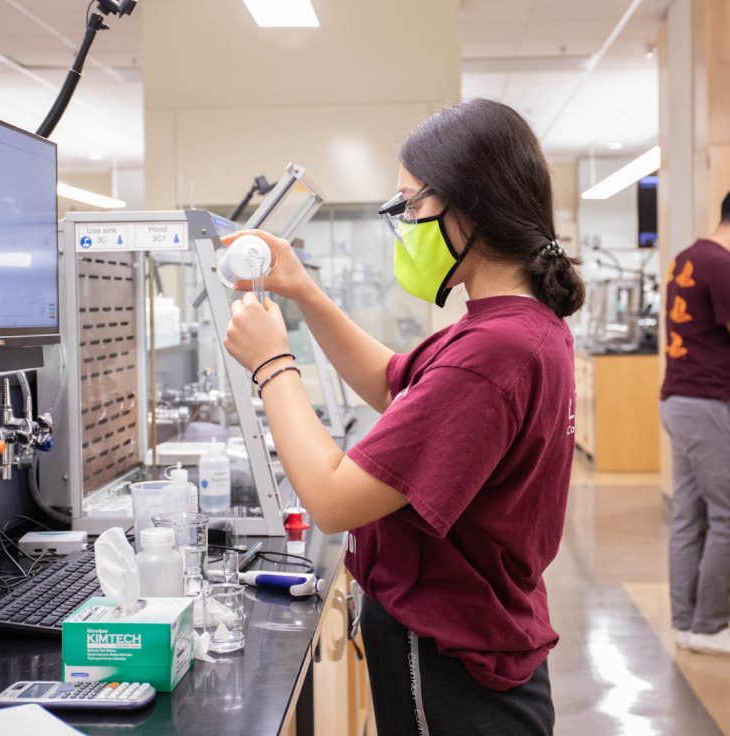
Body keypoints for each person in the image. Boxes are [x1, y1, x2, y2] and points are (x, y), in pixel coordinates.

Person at [223, 98, 585, 735]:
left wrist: (273, 364)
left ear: (469, 203)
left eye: (412, 205)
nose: (406, 224)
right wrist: (303, 290)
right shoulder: (517, 328)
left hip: (447, 667)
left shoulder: (492, 354)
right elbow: (396, 384)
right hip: (483, 640)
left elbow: (333, 501)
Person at [661, 191, 730, 656]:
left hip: (680, 400)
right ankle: (710, 625)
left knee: (690, 516)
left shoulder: (688, 257)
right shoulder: (722, 263)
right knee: (727, 516)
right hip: (707, 401)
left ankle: (687, 623)